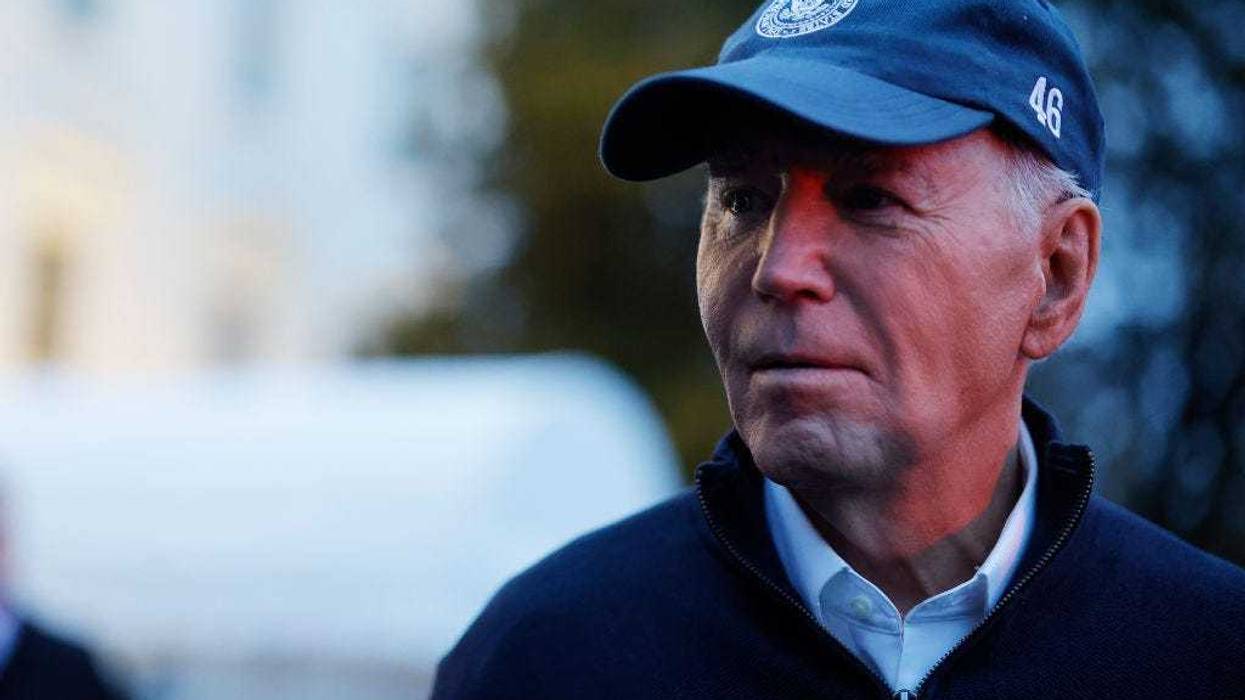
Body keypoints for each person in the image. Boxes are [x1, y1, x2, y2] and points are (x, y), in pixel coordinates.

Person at [433, 1, 1245, 697]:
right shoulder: (547, 660)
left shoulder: (1205, 655)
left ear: (1056, 275)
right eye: (744, 201)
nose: (779, 269)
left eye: (868, 199)